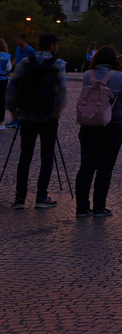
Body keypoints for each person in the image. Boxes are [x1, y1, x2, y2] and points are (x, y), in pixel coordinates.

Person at [6, 32, 67, 210]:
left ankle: (20, 198)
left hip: (26, 114)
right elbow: (61, 92)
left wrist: (13, 110)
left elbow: (12, 87)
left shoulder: (25, 62)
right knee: (47, 156)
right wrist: (57, 112)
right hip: (48, 116)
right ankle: (41, 196)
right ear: (51, 46)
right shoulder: (58, 64)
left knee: (25, 155)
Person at [75, 45, 122, 218]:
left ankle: (82, 208)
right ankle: (99, 208)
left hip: (88, 124)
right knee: (104, 168)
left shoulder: (88, 75)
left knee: (86, 166)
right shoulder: (119, 76)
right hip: (112, 125)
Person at [0, 39, 10, 128]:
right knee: (2, 100)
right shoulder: (6, 56)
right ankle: (0, 123)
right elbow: (8, 68)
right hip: (3, 79)